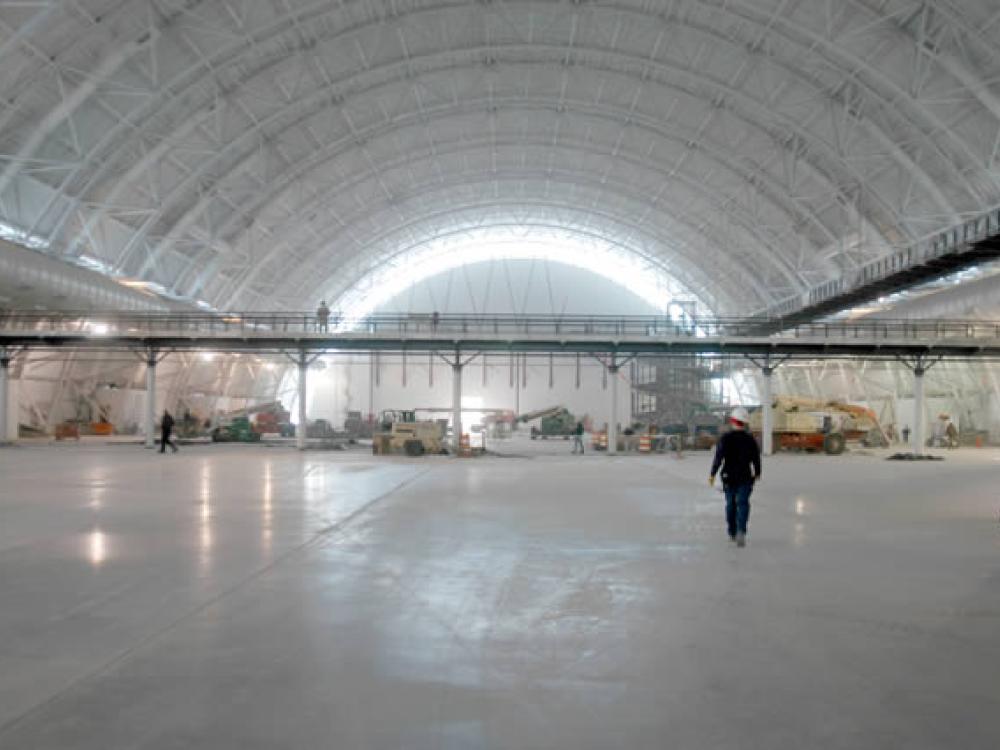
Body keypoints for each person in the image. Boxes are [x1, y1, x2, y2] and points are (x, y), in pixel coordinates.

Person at [709, 407, 760, 548]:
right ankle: (741, 531)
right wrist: (757, 473)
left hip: (729, 477)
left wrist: (712, 474)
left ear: (732, 420)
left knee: (731, 504)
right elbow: (756, 458)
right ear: (745, 422)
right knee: (743, 503)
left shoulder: (726, 439)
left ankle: (732, 531)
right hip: (745, 477)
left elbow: (718, 457)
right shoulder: (750, 440)